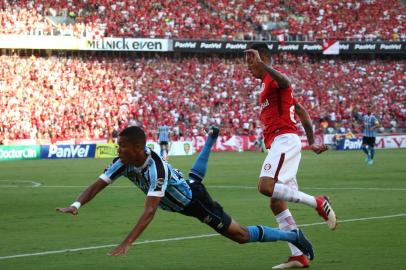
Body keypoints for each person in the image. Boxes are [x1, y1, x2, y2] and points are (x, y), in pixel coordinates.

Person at [56, 126, 314, 260]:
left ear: (137, 147)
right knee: (194, 178)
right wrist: (76, 204)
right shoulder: (122, 162)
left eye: (122, 145)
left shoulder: (155, 168)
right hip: (185, 190)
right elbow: (97, 184)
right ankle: (211, 139)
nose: (117, 149)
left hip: (194, 203)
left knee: (240, 236)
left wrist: (128, 241)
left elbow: (149, 211)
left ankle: (292, 235)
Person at [245, 43, 337, 269]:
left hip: (284, 139)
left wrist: (263, 65)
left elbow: (287, 83)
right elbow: (301, 111)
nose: (248, 66)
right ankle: (298, 255)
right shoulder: (266, 85)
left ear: (263, 58)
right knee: (277, 203)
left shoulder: (273, 79)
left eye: (250, 60)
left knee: (265, 187)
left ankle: (318, 202)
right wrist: (312, 141)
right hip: (281, 142)